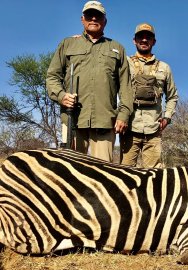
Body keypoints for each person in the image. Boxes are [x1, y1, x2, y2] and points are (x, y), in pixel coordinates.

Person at [46, 1, 133, 162]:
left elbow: (126, 87)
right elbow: (52, 76)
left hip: (105, 122)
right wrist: (61, 95)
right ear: (82, 19)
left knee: (104, 175)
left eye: (98, 15)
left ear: (105, 21)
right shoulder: (67, 44)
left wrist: (123, 115)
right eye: (89, 15)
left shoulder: (116, 48)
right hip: (73, 120)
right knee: (71, 174)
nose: (93, 18)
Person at [120, 23, 179, 168]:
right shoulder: (124, 63)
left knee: (154, 176)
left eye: (149, 37)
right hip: (129, 128)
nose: (144, 40)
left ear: (154, 41)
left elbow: (172, 96)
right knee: (125, 173)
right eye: (141, 37)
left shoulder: (164, 67)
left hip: (154, 129)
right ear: (134, 40)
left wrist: (167, 117)